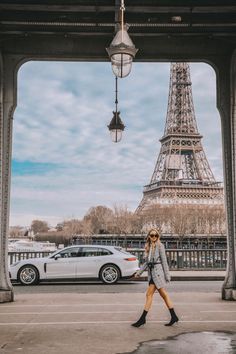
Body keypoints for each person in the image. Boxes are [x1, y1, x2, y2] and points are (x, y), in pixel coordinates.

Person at [131, 228, 179, 327]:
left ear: (158, 237)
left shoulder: (160, 246)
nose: (154, 237)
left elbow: (164, 261)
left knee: (149, 295)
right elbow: (146, 263)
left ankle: (142, 319)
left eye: (156, 235)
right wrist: (138, 273)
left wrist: (167, 276)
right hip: (151, 273)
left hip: (158, 273)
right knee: (164, 295)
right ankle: (174, 316)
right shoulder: (148, 247)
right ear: (149, 236)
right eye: (152, 235)